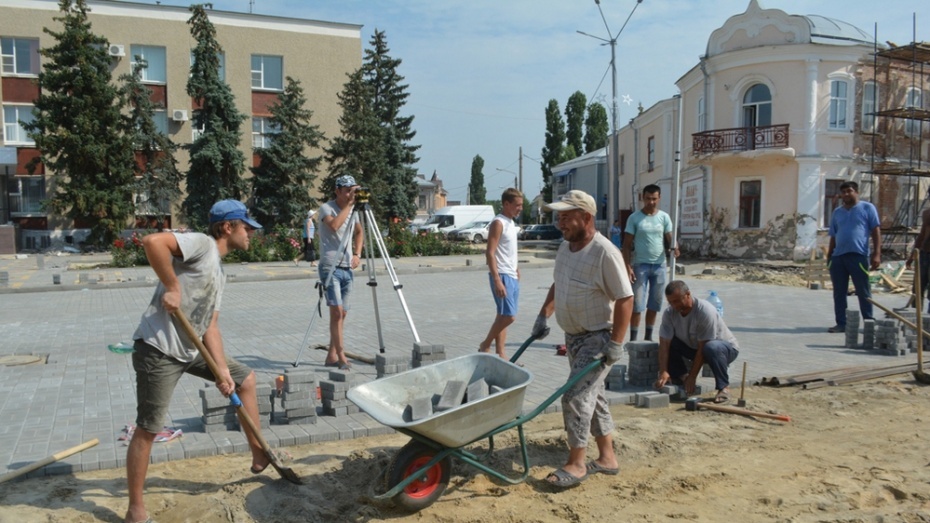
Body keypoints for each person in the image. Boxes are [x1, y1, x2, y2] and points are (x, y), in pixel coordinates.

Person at [124, 199, 269, 523]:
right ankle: (135, 509)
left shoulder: (219, 271)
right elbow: (152, 242)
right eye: (247, 227)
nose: (251, 234)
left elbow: (210, 326)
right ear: (227, 227)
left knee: (244, 380)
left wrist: (220, 371)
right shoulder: (203, 245)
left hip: (191, 349)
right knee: (149, 428)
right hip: (159, 349)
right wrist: (173, 286)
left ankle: (259, 453)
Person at [531, 189, 633, 489]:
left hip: (598, 337)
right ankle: (607, 458)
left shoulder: (605, 253)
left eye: (566, 217)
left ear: (586, 217)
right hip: (574, 336)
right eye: (558, 217)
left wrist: (615, 343)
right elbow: (558, 283)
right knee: (593, 395)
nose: (559, 223)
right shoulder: (566, 248)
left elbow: (626, 298)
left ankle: (576, 463)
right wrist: (543, 315)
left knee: (575, 396)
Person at [654, 280, 740, 404]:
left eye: (676, 301)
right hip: (695, 348)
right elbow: (664, 343)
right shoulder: (669, 313)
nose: (673, 305)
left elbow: (703, 346)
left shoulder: (704, 311)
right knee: (671, 342)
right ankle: (681, 377)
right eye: (670, 302)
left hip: (724, 349)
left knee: (711, 347)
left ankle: (724, 388)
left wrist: (693, 377)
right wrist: (663, 370)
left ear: (688, 294)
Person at [318, 174, 364, 369]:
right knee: (336, 312)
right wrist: (350, 204)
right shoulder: (326, 208)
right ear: (337, 191)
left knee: (342, 314)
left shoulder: (353, 210)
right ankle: (341, 357)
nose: (350, 194)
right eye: (347, 190)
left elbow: (359, 231)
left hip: (347, 267)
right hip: (330, 266)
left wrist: (357, 253)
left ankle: (331, 355)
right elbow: (335, 225)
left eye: (352, 190)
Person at [622, 184, 678, 342]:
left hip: (659, 266)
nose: (651, 202)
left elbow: (670, 238)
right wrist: (627, 266)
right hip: (640, 266)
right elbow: (626, 246)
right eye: (647, 198)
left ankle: (648, 337)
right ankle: (633, 339)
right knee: (638, 305)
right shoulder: (634, 218)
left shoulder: (664, 217)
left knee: (655, 303)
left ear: (659, 198)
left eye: (654, 199)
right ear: (642, 198)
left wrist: (676, 247)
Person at [827, 181, 881, 333]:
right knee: (839, 292)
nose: (846, 194)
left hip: (858, 256)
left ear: (856, 192)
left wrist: (877, 253)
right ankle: (841, 323)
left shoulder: (867, 208)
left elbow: (876, 231)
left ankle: (869, 321)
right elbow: (833, 235)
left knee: (863, 291)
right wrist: (830, 255)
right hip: (838, 257)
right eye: (843, 192)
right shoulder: (837, 212)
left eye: (849, 191)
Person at [478, 188, 524, 358]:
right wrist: (497, 279)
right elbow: (490, 252)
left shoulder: (510, 222)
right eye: (517, 205)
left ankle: (501, 354)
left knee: (502, 315)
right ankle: (485, 344)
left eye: (521, 205)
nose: (520, 208)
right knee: (509, 316)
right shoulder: (498, 222)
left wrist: (516, 268)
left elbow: (508, 250)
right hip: (502, 275)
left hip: (511, 274)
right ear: (506, 204)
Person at [906, 206, 930, 310]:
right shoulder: (927, 213)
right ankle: (917, 318)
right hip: (924, 254)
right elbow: (922, 235)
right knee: (918, 287)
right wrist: (912, 256)